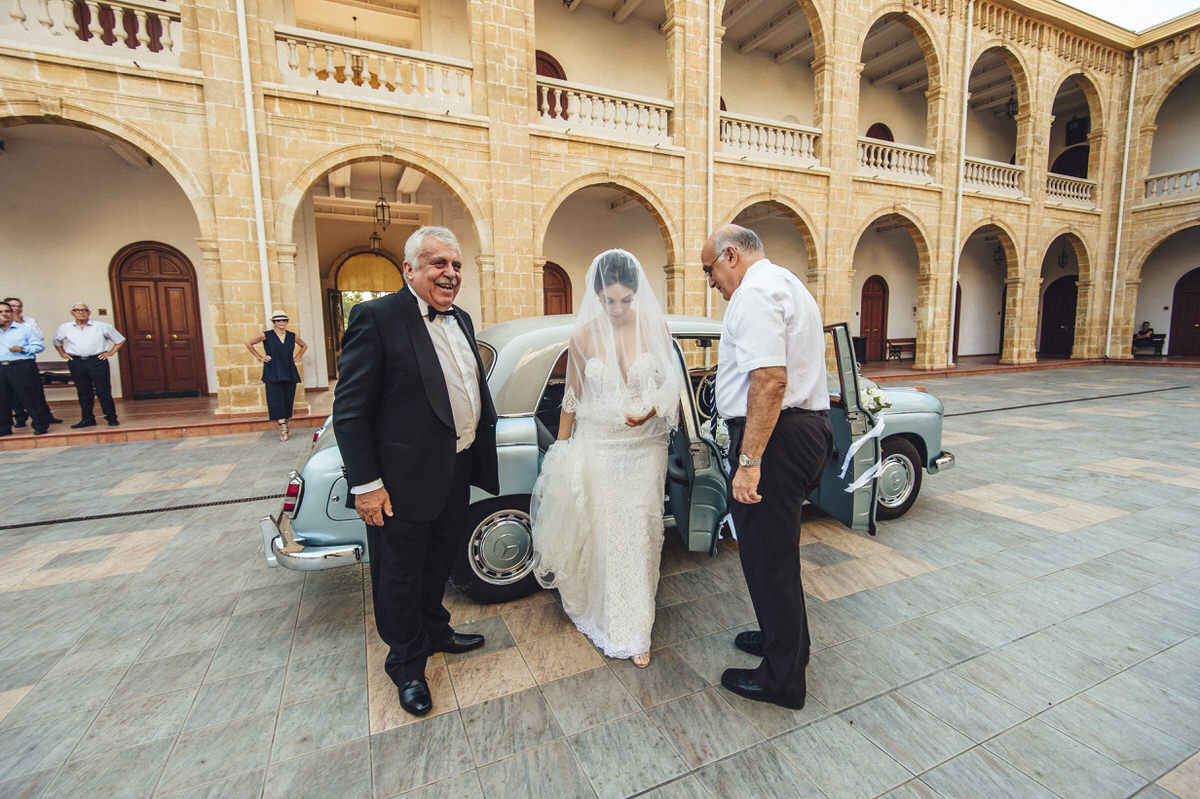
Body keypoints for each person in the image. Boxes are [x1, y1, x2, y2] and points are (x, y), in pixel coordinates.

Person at [333, 226, 499, 717]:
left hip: (455, 467)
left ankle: (437, 630)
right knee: (398, 574)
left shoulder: (462, 318)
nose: (450, 273)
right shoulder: (376, 317)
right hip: (399, 481)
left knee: (437, 562)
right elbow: (351, 410)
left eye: (456, 265)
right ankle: (406, 664)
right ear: (409, 269)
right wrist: (367, 485)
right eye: (437, 264)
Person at [701, 224, 833, 710]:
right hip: (799, 428)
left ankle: (782, 679)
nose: (711, 282)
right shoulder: (786, 282)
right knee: (778, 554)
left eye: (709, 270)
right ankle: (788, 643)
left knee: (767, 559)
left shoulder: (754, 294)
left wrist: (749, 462)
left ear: (730, 255)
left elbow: (770, 381)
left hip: (774, 437)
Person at [531, 249, 680, 669]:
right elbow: (572, 399)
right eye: (608, 301)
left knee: (641, 532)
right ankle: (610, 616)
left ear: (637, 294)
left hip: (645, 446)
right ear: (597, 296)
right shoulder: (581, 337)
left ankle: (637, 628)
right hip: (599, 444)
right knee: (608, 534)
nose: (617, 309)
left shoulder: (656, 328)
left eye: (625, 300)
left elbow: (672, 390)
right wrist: (562, 449)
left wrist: (650, 409)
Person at [52, 304, 126, 428]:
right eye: (77, 310)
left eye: (84, 310)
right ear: (72, 313)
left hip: (97, 361)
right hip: (77, 362)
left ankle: (111, 417)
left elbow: (120, 339)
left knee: (103, 390)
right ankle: (87, 419)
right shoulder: (65, 327)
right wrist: (62, 353)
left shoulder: (102, 326)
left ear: (89, 312)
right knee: (83, 391)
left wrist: (111, 352)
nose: (81, 312)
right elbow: (56, 341)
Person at [245, 310, 308, 440]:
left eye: (284, 320)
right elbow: (248, 343)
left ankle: (286, 424)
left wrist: (297, 357)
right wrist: (260, 357)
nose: (281, 323)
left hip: (289, 369)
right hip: (273, 370)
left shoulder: (292, 336)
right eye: (278, 320)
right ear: (274, 322)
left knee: (288, 398)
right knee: (275, 399)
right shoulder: (266, 335)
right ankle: (283, 428)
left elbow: (304, 346)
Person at [3, 297, 61, 428]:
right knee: (7, 396)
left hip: (22, 364)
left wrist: (19, 323)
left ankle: (41, 422)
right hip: (4, 366)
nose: (16, 308)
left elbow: (39, 339)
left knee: (32, 394)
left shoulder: (27, 323)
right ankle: (15, 421)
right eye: (12, 306)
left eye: (19, 306)